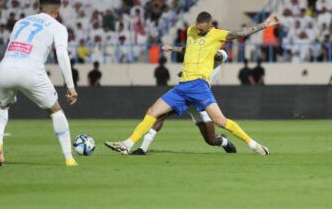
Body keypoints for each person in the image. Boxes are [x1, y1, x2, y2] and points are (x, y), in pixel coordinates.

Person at [105, 11, 277, 155]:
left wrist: (264, 25)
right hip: (182, 87)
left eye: (202, 30)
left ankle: (253, 145)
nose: (199, 31)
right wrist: (173, 49)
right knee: (153, 112)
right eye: (197, 28)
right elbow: (190, 49)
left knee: (220, 121)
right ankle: (127, 144)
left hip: (199, 87)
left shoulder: (217, 34)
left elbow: (240, 33)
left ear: (210, 26)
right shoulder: (191, 31)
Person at [0, 0, 78, 167]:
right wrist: (71, 87)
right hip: (30, 70)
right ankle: (69, 158)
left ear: (39, 7)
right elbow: (61, 54)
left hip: (5, 67)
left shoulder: (20, 22)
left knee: (1, 105)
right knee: (55, 110)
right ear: (58, 11)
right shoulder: (58, 27)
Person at [131, 49, 237, 155]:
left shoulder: (219, 52)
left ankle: (225, 142)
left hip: (199, 100)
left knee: (211, 140)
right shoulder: (198, 51)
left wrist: (202, 51)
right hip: (184, 95)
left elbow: (218, 56)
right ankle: (143, 149)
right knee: (161, 115)